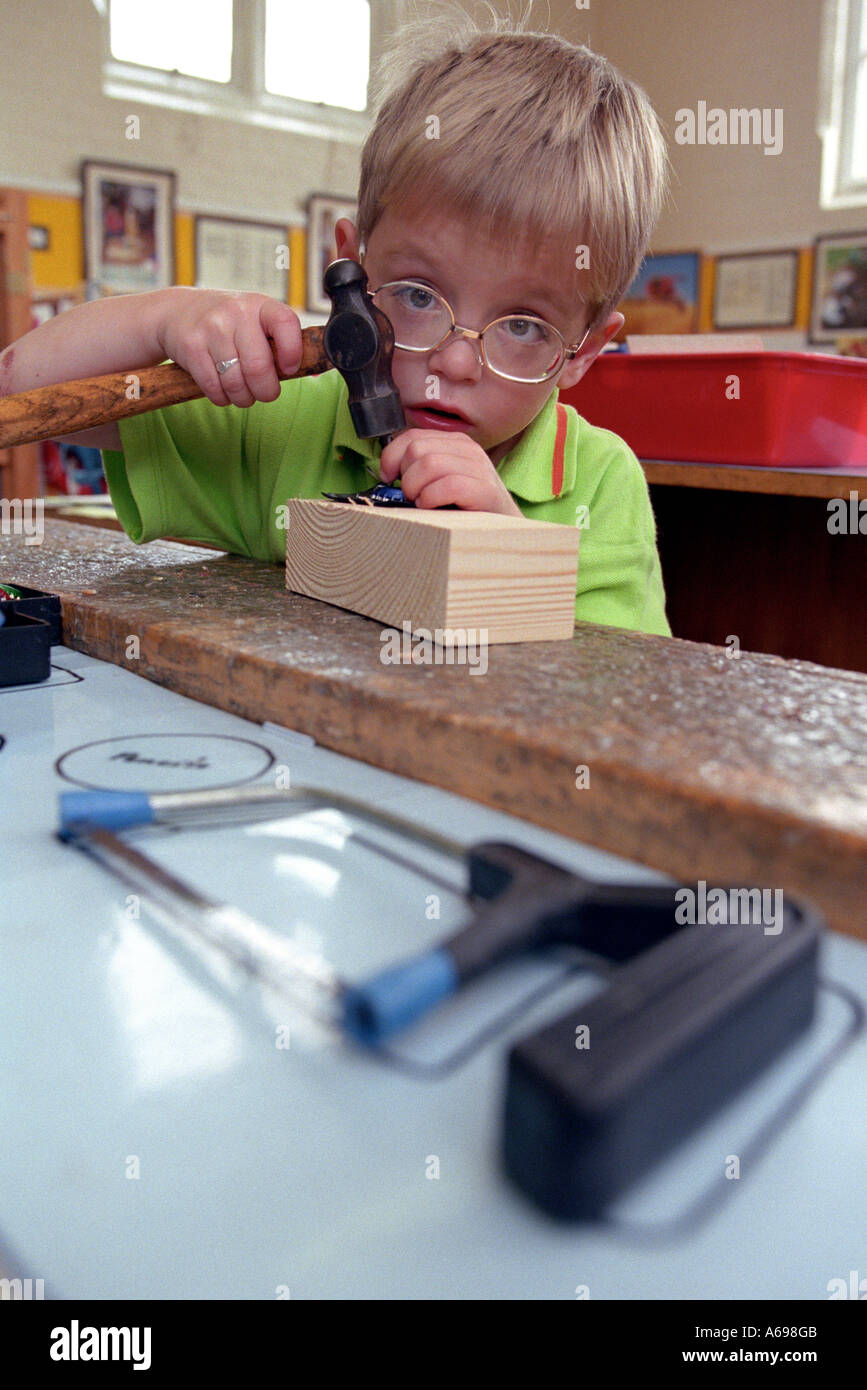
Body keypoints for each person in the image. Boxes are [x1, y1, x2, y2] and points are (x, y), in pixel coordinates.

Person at [0, 5, 671, 635]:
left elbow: (616, 707)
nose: (455, 363)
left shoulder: (603, 485)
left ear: (583, 352)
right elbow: (20, 389)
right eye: (415, 295)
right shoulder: (280, 423)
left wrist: (501, 555)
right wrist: (162, 317)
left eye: (523, 327)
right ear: (350, 268)